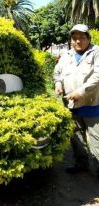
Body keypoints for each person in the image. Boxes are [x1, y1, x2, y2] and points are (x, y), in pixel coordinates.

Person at [54, 24, 99, 174]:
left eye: (82, 38)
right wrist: (58, 83)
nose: (78, 41)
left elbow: (97, 76)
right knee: (76, 137)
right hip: (71, 104)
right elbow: (58, 73)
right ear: (71, 40)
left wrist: (81, 91)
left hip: (92, 104)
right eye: (74, 38)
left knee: (96, 139)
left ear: (88, 38)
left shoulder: (96, 51)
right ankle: (81, 164)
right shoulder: (66, 55)